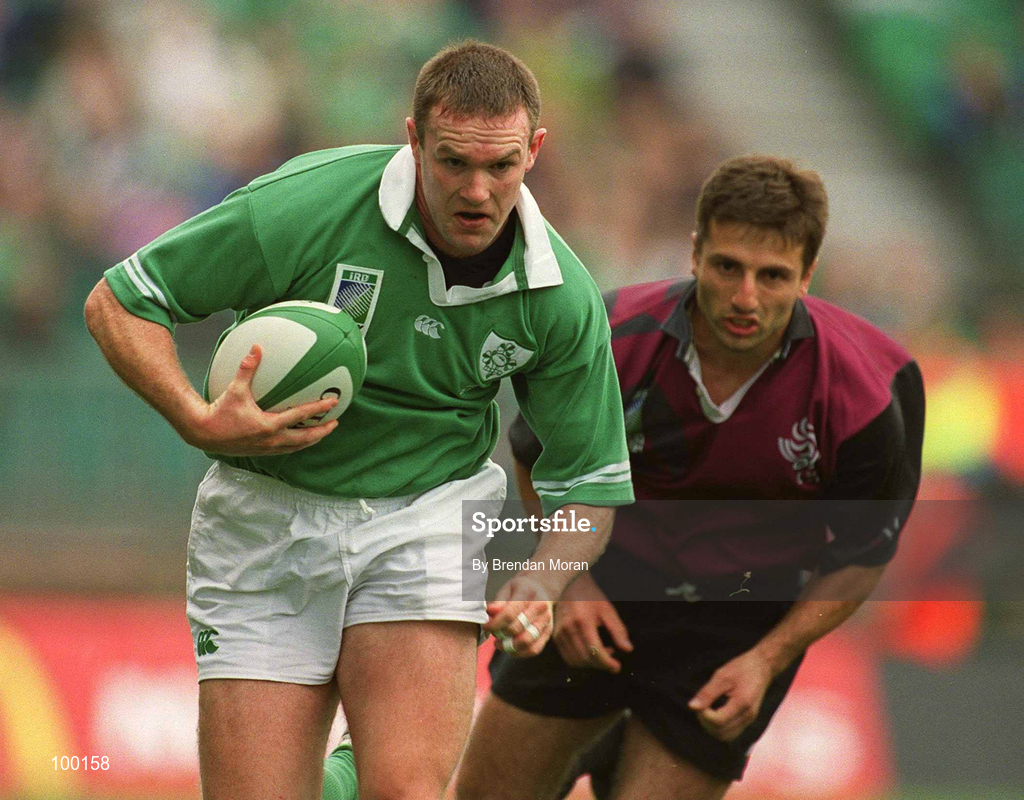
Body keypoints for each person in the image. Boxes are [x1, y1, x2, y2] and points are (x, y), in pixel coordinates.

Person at [83, 41, 633, 800]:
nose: (478, 190)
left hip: (428, 514)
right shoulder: (305, 205)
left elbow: (591, 492)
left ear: (533, 151)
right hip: (266, 516)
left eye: (501, 166)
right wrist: (195, 417)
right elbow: (122, 300)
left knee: (408, 793)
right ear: (413, 139)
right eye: (453, 163)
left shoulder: (559, 294)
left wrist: (540, 581)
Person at [455, 155, 926, 800]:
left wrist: (768, 659)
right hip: (603, 585)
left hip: (738, 626)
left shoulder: (871, 393)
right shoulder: (614, 336)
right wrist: (570, 582)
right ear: (696, 250)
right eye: (728, 265)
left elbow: (862, 556)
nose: (745, 298)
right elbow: (538, 461)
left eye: (773, 275)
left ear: (808, 274)